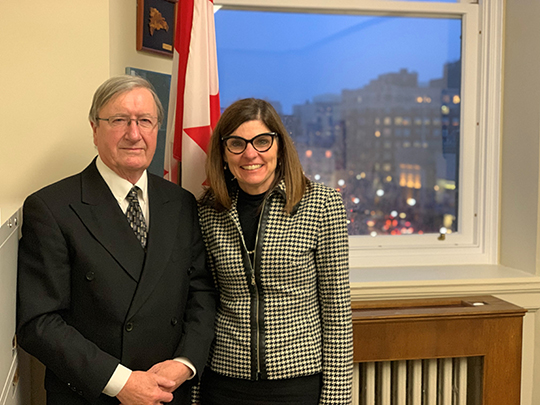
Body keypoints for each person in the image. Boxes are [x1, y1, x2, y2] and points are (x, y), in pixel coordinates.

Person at [16, 75, 216, 405]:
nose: (133, 134)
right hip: (92, 394)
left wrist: (184, 364)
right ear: (95, 128)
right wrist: (120, 382)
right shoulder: (51, 207)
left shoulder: (180, 203)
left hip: (167, 393)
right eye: (119, 120)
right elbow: (40, 322)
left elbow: (201, 293)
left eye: (145, 121)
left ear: (157, 130)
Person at [197, 98, 353, 404]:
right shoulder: (207, 211)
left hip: (298, 382)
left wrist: (337, 397)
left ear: (279, 146)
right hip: (225, 381)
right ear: (224, 153)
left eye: (262, 141)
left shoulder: (321, 205)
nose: (250, 153)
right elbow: (203, 301)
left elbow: (336, 312)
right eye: (237, 144)